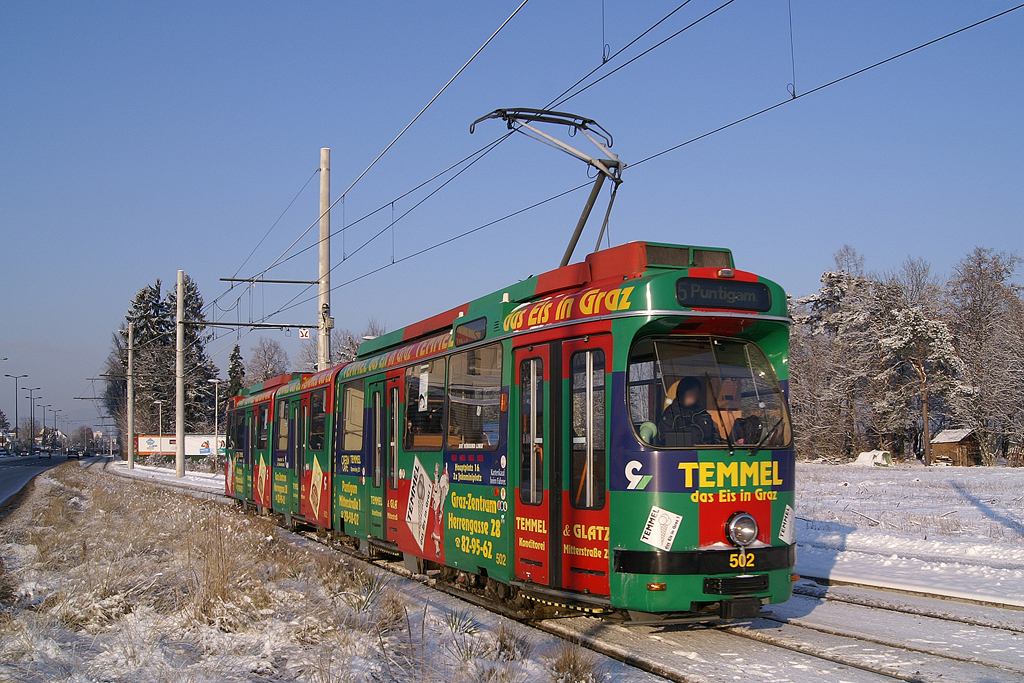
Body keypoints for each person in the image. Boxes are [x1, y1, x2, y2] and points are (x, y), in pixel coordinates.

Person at [658, 377, 719, 446]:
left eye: (695, 392)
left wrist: (726, 445)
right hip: (684, 452)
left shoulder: (704, 414)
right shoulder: (671, 414)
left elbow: (715, 438)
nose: (693, 395)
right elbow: (665, 439)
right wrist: (691, 445)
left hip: (708, 451)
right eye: (690, 392)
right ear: (682, 393)